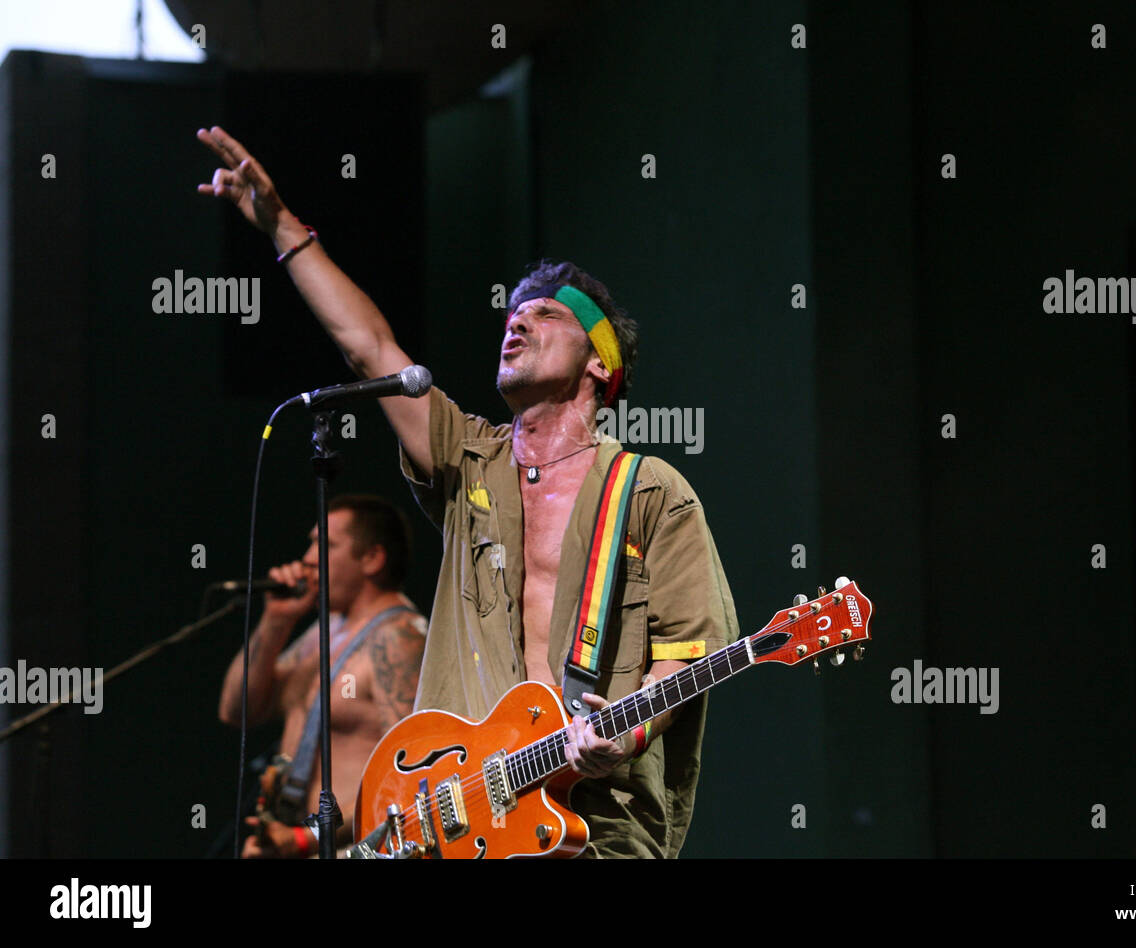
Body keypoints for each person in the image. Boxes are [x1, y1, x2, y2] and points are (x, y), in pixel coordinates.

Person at [198, 126, 739, 857]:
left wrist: (626, 731)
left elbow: (686, 651)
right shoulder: (471, 461)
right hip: (460, 815)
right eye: (513, 312)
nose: (516, 320)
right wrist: (282, 226)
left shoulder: (651, 495)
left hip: (594, 823)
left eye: (546, 313)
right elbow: (371, 348)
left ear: (600, 365)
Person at [217, 494, 426, 858]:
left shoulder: (397, 639)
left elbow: (409, 778)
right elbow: (237, 710)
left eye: (325, 545)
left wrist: (302, 839)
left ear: (372, 559)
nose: (308, 558)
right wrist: (276, 621)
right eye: (311, 543)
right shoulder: (324, 632)